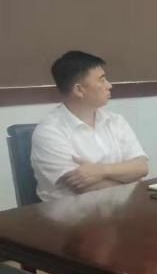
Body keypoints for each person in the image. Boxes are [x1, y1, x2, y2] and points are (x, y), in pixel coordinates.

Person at [31, 51, 149, 202]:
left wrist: (99, 171)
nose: (109, 85)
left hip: (120, 208)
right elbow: (82, 186)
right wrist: (127, 178)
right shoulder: (49, 132)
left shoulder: (115, 121)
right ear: (79, 90)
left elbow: (141, 167)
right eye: (102, 80)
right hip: (70, 214)